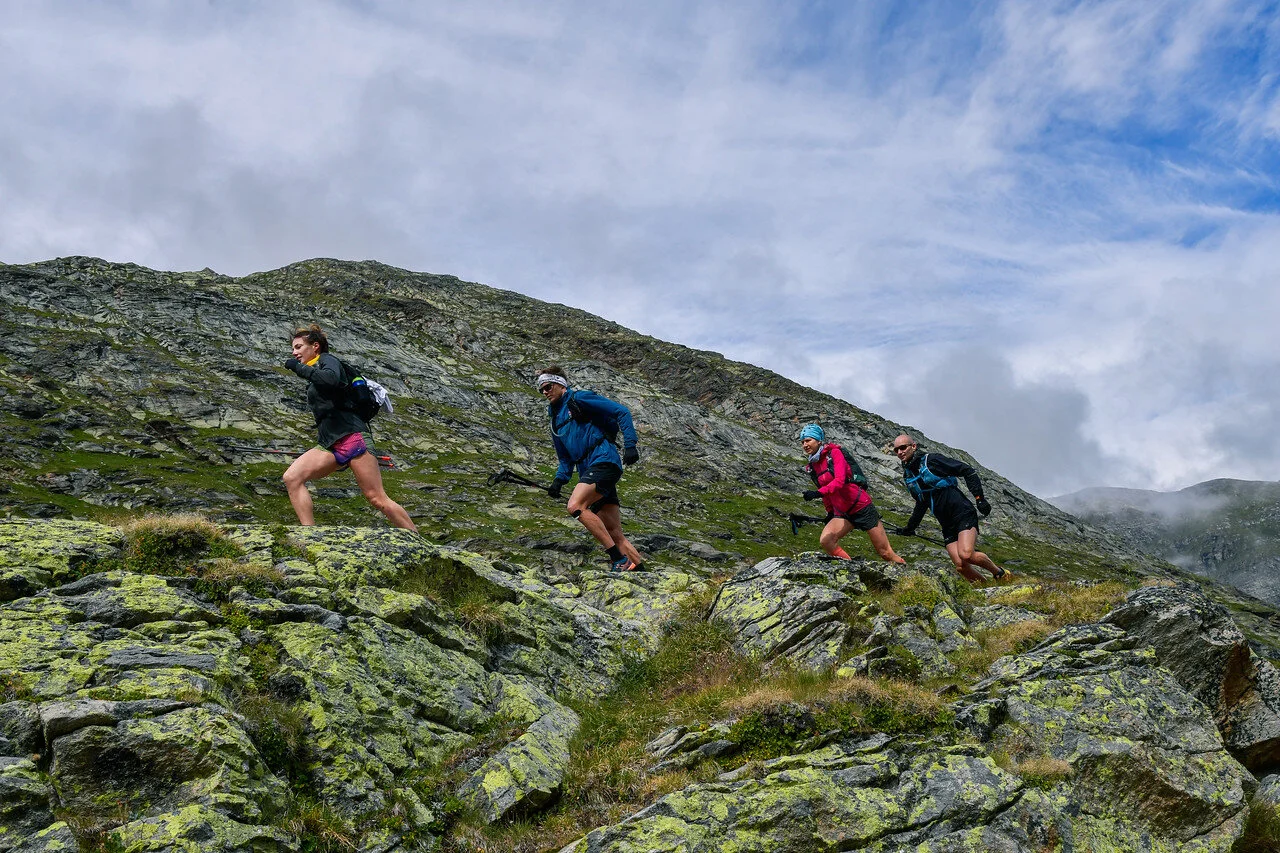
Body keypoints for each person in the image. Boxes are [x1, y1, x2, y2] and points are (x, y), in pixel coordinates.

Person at [281, 325, 417, 532]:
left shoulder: (328, 360)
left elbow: (330, 379)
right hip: (330, 442)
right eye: (293, 348)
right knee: (292, 477)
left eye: (298, 347)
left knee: (376, 497)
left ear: (315, 346)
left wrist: (298, 368)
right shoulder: (315, 369)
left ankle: (418, 540)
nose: (294, 352)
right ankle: (309, 534)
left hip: (353, 437)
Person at [538, 365, 644, 572]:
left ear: (560, 384)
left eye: (548, 386)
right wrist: (559, 481)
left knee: (575, 506)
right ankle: (641, 573)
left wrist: (630, 445)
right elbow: (565, 458)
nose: (545, 392)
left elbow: (621, 412)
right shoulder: (555, 422)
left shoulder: (579, 398)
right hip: (589, 469)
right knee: (614, 532)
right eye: (541, 389)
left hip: (604, 460)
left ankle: (618, 560)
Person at [890, 433, 1005, 582]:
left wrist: (979, 498)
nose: (900, 452)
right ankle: (987, 588)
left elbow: (967, 470)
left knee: (966, 554)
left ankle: (1000, 573)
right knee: (961, 566)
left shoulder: (932, 460)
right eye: (896, 450)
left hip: (962, 513)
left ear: (913, 446)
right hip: (946, 523)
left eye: (903, 447)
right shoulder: (908, 476)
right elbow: (921, 503)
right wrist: (910, 528)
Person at [799, 424, 905, 564]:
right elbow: (825, 491)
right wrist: (830, 512)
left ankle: (909, 574)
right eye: (802, 442)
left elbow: (840, 481)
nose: (805, 445)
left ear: (819, 441)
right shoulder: (812, 466)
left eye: (808, 440)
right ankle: (851, 570)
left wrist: (817, 493)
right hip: (842, 512)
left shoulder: (834, 453)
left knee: (885, 553)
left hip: (861, 507)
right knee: (827, 541)